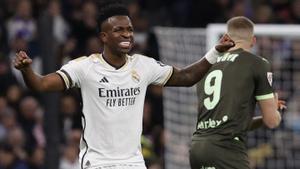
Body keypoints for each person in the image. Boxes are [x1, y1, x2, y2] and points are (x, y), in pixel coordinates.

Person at [13, 2, 234, 169]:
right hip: (98, 162)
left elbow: (186, 77)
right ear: (104, 36)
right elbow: (41, 85)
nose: (127, 34)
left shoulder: (143, 65)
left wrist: (215, 52)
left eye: (129, 29)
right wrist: (26, 70)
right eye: (119, 30)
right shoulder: (85, 67)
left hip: (133, 161)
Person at [189, 16, 285, 169]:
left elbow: (226, 123)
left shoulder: (206, 66)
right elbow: (272, 121)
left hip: (198, 148)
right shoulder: (257, 63)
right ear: (253, 41)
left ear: (226, 38)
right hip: (226, 149)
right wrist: (275, 112)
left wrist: (260, 118)